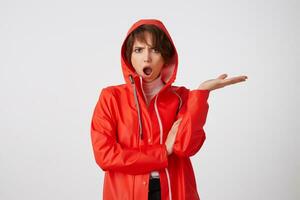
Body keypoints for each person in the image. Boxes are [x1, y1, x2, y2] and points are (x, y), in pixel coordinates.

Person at [90, 19, 248, 200]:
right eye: (139, 50)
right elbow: (105, 156)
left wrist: (201, 94)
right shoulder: (111, 97)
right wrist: (163, 150)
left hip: (175, 191)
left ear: (166, 57)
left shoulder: (182, 97)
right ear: (129, 56)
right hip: (125, 193)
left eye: (155, 50)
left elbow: (186, 147)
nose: (146, 57)